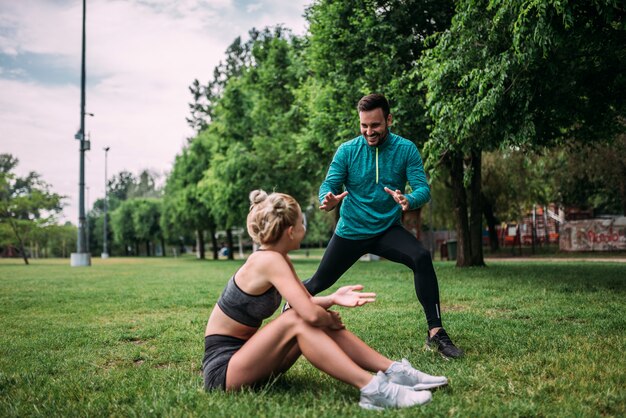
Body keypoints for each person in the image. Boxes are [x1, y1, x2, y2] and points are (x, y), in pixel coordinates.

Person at [202, 190, 448, 410]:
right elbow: (307, 314)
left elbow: (299, 304)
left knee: (300, 318)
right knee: (298, 321)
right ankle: (374, 389)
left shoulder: (278, 258)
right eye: (301, 223)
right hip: (224, 371)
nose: (304, 228)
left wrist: (332, 298)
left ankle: (394, 371)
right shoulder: (268, 261)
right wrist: (325, 318)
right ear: (290, 231)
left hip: (251, 361)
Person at [302, 93, 463, 359]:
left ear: (388, 119)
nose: (369, 131)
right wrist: (327, 199)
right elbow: (329, 185)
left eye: (375, 125)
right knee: (320, 281)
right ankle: (285, 310)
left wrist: (408, 200)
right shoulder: (347, 151)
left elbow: (423, 189)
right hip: (351, 230)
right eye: (364, 125)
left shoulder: (405, 149)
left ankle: (436, 333)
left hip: (387, 229)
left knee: (421, 257)